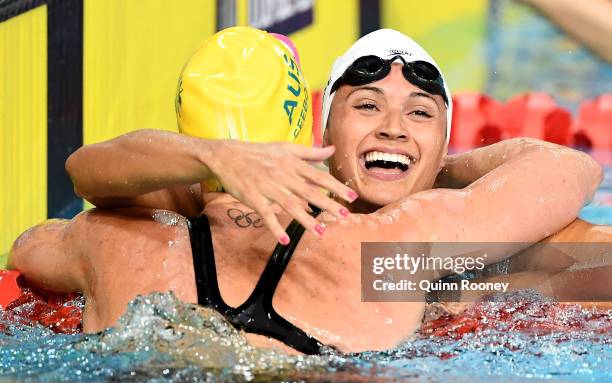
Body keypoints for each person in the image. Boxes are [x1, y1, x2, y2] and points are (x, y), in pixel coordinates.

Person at [8, 29, 605, 355]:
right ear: (316, 134)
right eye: (367, 105)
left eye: (420, 115)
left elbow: (35, 238)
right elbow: (569, 182)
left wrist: (198, 167)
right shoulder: (391, 253)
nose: (393, 127)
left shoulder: (114, 237)